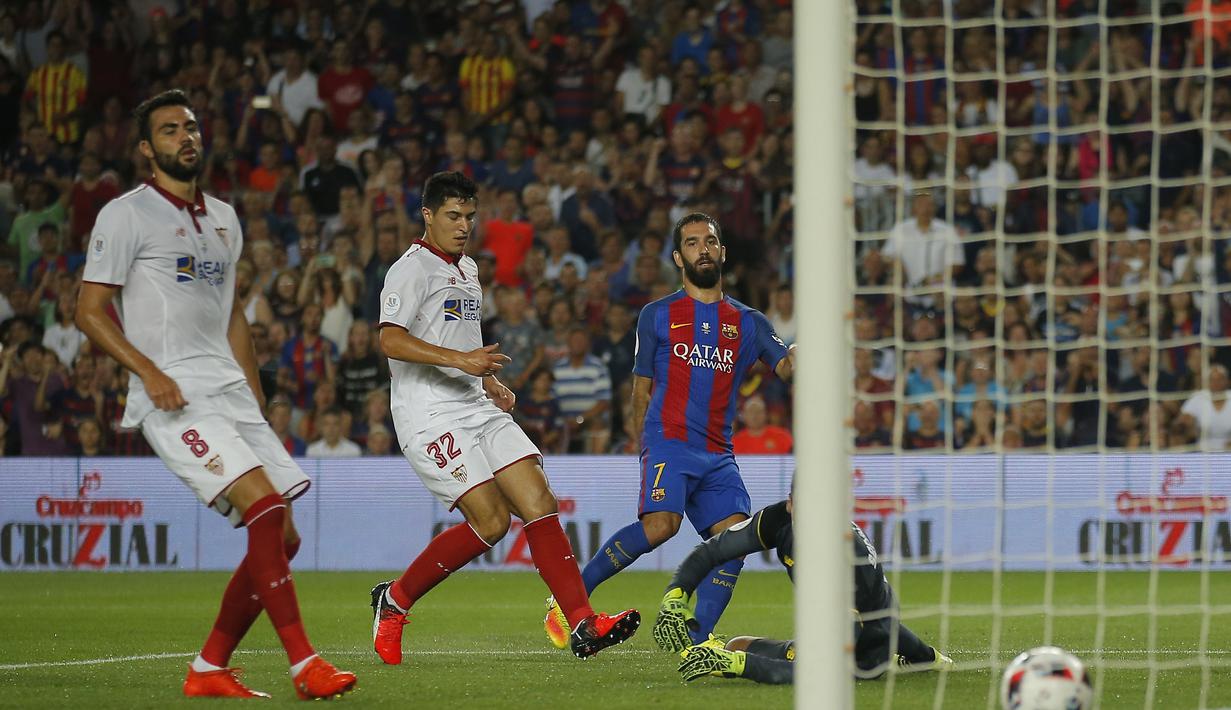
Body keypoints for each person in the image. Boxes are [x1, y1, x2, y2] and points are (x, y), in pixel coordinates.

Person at [74, 89, 355, 700]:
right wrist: (148, 372)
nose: (186, 137)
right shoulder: (125, 215)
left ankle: (208, 669)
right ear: (148, 150)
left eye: (192, 126)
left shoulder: (225, 217)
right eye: (170, 130)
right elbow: (90, 311)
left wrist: (253, 401)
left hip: (226, 389)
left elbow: (233, 320)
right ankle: (305, 664)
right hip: (170, 391)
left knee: (283, 536)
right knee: (264, 508)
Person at [369, 171, 639, 666]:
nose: (463, 225)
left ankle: (580, 622)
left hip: (472, 401)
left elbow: (460, 339)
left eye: (470, 216)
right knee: (491, 522)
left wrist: (485, 379)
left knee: (539, 498)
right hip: (427, 411)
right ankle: (395, 601)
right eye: (453, 215)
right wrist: (462, 363)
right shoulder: (411, 269)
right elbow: (389, 339)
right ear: (427, 214)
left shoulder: (468, 268)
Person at [567, 212, 795, 648]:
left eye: (710, 241)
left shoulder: (749, 322)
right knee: (661, 526)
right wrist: (645, 445)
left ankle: (697, 639)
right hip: (669, 440)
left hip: (718, 452)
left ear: (722, 252)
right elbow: (640, 388)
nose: (702, 249)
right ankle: (570, 602)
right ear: (678, 257)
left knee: (736, 539)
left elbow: (786, 369)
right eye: (692, 243)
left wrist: (801, 353)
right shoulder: (657, 315)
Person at [655, 496, 953, 683]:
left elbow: (821, 673)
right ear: (791, 504)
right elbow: (713, 551)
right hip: (865, 621)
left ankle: (917, 657)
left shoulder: (845, 566)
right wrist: (676, 594)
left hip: (861, 649)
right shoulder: (778, 519)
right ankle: (925, 657)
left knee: (745, 656)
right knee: (735, 644)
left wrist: (738, 666)